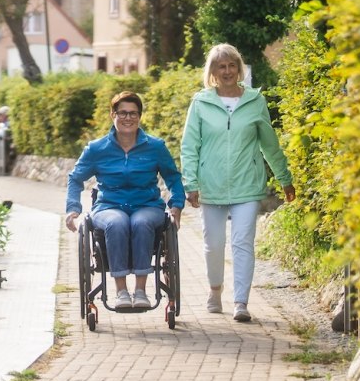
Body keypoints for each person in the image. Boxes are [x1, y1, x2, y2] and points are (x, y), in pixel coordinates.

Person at [180, 44, 296, 323]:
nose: (228, 71)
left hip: (247, 184)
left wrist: (284, 178)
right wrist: (190, 183)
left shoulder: (255, 101)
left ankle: (241, 302)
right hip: (212, 184)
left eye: (232, 65)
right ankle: (215, 290)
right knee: (214, 243)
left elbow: (270, 144)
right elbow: (189, 146)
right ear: (213, 71)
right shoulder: (201, 102)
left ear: (239, 69)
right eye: (222, 66)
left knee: (243, 242)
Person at [63, 91, 186, 308]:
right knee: (116, 222)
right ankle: (121, 291)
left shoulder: (155, 147)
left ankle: (140, 291)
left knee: (141, 222)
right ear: (113, 115)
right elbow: (75, 178)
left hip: (147, 205)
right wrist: (73, 208)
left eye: (133, 113)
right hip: (109, 205)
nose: (128, 118)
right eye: (122, 113)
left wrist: (176, 205)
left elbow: (173, 177)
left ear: (140, 116)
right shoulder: (96, 148)